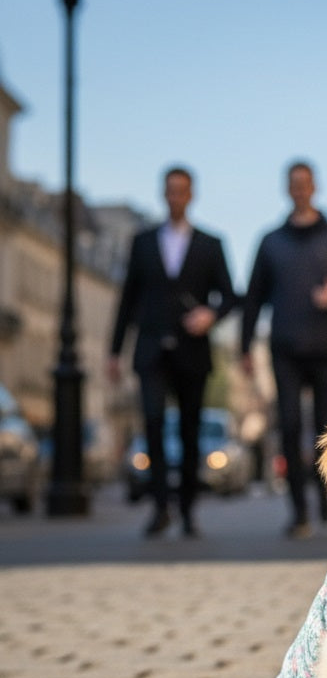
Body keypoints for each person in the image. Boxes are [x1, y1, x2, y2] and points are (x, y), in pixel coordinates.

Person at [241, 160, 327, 539]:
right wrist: (245, 347)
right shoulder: (271, 241)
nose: (300, 189)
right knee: (289, 425)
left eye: (305, 183)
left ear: (315, 187)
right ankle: (298, 511)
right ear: (288, 189)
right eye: (294, 184)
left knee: (324, 427)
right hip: (284, 347)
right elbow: (253, 299)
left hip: (325, 347)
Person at [108, 165, 237, 538]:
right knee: (151, 423)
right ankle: (160, 506)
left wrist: (209, 314)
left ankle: (187, 510)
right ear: (163, 194)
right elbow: (127, 299)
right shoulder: (143, 241)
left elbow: (230, 296)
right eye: (170, 190)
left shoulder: (210, 244)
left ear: (191, 194)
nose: (175, 196)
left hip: (192, 351)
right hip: (149, 349)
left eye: (182, 190)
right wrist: (114, 351)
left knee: (190, 429)